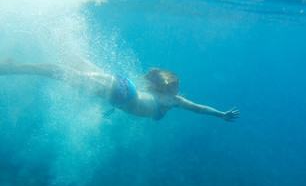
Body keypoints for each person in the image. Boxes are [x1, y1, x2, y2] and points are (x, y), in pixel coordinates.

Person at [0, 58, 239, 122]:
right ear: (169, 86)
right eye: (176, 84)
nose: (178, 88)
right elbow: (198, 109)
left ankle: (57, 38)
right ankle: (15, 67)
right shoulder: (172, 100)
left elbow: (138, 106)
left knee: (76, 71)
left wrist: (112, 108)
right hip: (124, 93)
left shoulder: (167, 98)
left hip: (122, 92)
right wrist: (220, 114)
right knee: (69, 75)